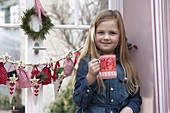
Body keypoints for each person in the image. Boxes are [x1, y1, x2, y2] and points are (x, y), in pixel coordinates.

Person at [73, 10, 142, 113]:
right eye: (101, 33)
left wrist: (130, 109)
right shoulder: (86, 62)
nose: (106, 37)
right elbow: (79, 102)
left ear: (120, 36)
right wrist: (90, 77)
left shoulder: (127, 65)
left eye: (112, 33)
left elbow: (135, 98)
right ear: (93, 35)